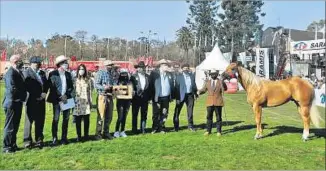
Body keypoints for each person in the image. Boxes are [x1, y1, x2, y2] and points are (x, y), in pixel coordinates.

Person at [2, 55, 27, 153]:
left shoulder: (19, 72)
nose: (21, 62)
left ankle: (13, 144)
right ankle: (6, 147)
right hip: (11, 103)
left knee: (15, 125)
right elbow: (12, 88)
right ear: (14, 62)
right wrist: (20, 97)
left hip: (18, 102)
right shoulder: (10, 73)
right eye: (19, 61)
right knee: (10, 126)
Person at [47, 55, 74, 146]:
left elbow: (71, 87)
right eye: (65, 62)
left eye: (66, 62)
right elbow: (52, 87)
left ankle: (64, 138)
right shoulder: (53, 74)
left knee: (66, 119)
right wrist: (60, 96)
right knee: (56, 119)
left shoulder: (68, 74)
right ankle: (55, 138)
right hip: (56, 100)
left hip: (67, 99)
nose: (66, 64)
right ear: (60, 64)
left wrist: (66, 95)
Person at [23, 56, 49, 149]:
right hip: (31, 101)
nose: (37, 65)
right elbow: (28, 87)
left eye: (38, 63)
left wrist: (45, 92)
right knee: (29, 122)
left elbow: (46, 84)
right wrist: (38, 95)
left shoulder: (42, 73)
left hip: (41, 101)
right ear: (31, 64)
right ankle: (27, 141)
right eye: (35, 63)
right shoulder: (27, 73)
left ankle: (39, 139)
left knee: (40, 121)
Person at [198, 69, 227, 136]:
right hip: (209, 102)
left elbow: (225, 89)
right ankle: (208, 130)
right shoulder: (207, 82)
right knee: (209, 117)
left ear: (217, 74)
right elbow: (204, 90)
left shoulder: (220, 81)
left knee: (218, 117)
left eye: (214, 74)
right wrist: (199, 92)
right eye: (212, 74)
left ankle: (219, 131)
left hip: (218, 102)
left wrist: (223, 82)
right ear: (210, 75)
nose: (213, 75)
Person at [150, 59, 175, 134]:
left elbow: (172, 86)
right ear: (161, 66)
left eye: (167, 65)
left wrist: (171, 96)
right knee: (156, 113)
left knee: (164, 113)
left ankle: (162, 127)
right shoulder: (154, 73)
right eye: (165, 65)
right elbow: (151, 86)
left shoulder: (169, 74)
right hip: (157, 97)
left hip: (166, 97)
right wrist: (151, 98)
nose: (167, 67)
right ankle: (154, 128)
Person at [173, 64, 198, 132]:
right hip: (181, 96)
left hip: (190, 96)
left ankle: (190, 126)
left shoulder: (192, 76)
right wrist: (177, 98)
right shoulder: (178, 76)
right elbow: (176, 88)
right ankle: (176, 127)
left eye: (187, 68)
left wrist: (196, 94)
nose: (186, 69)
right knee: (177, 111)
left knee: (190, 111)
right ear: (182, 69)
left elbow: (194, 85)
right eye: (184, 68)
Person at [94, 60, 115, 140]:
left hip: (110, 97)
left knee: (109, 116)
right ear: (106, 66)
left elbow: (112, 84)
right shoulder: (100, 73)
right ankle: (98, 134)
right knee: (101, 116)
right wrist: (104, 87)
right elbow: (96, 85)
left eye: (111, 65)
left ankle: (106, 132)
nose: (111, 66)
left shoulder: (110, 74)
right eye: (110, 65)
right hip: (102, 96)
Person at [130, 61, 151, 134]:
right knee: (135, 114)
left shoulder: (148, 77)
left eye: (143, 67)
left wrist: (149, 98)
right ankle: (134, 130)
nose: (141, 69)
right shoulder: (133, 76)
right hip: (136, 98)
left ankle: (143, 129)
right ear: (137, 68)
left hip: (145, 99)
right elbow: (131, 87)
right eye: (140, 67)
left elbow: (150, 88)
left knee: (144, 115)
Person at [73, 64, 92, 142]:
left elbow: (90, 91)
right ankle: (79, 136)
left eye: (83, 69)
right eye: (80, 69)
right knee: (78, 120)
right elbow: (72, 91)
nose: (81, 70)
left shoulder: (88, 80)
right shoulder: (74, 80)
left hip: (86, 101)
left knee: (86, 120)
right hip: (77, 102)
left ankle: (86, 135)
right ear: (78, 70)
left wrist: (90, 101)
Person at [113, 69, 133, 138]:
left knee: (124, 117)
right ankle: (116, 131)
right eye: (123, 74)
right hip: (120, 101)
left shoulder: (129, 82)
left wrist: (132, 92)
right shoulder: (118, 82)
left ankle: (122, 131)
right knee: (120, 117)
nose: (124, 75)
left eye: (125, 74)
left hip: (127, 101)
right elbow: (115, 91)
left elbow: (131, 91)